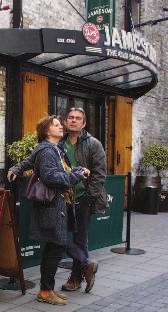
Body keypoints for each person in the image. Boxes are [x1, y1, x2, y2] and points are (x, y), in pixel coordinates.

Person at [9, 116, 88, 305]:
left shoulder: (54, 149)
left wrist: (77, 169)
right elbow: (51, 177)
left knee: (55, 246)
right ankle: (45, 292)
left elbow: (31, 160)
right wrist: (76, 176)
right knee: (56, 247)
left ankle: (47, 289)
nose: (62, 126)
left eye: (61, 124)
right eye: (56, 125)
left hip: (59, 205)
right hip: (53, 206)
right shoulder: (47, 151)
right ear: (46, 131)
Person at [59, 107, 106, 293]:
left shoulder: (93, 144)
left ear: (84, 123)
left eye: (78, 118)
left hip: (82, 197)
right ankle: (87, 266)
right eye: (70, 117)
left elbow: (100, 174)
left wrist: (89, 197)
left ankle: (75, 278)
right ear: (65, 121)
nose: (73, 120)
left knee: (80, 239)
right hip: (62, 198)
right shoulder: (59, 143)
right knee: (60, 236)